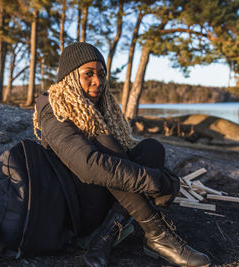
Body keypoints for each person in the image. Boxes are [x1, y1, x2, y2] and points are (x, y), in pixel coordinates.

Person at [32, 42, 211, 267]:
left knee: (151, 148)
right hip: (76, 207)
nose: (98, 81)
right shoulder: (53, 107)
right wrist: (155, 181)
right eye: (88, 74)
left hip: (103, 199)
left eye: (102, 74)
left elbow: (124, 159)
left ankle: (103, 240)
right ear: (69, 77)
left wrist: (160, 176)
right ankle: (158, 234)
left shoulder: (96, 108)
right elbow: (88, 165)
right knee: (106, 147)